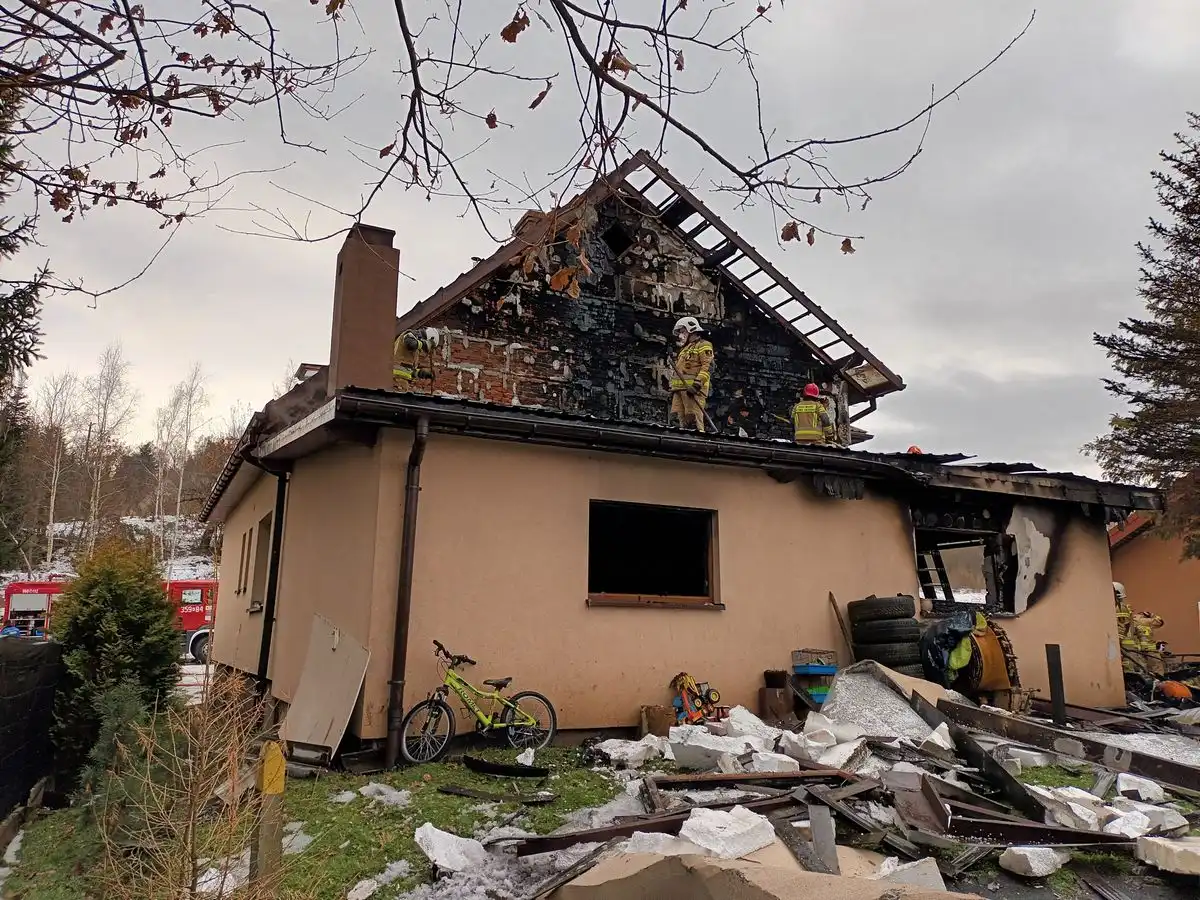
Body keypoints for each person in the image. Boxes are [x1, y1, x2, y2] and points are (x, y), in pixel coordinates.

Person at [668, 316, 714, 432]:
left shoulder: (704, 345)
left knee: (693, 422)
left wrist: (697, 385)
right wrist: (673, 388)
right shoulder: (684, 350)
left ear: (691, 330)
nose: (680, 335)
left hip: (693, 391)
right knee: (677, 422)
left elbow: (707, 367)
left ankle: (698, 447)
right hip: (679, 390)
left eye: (683, 331)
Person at [392, 327, 440, 391]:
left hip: (400, 382)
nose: (424, 350)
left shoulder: (413, 352)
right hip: (395, 381)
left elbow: (406, 370)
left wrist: (421, 373)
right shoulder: (410, 335)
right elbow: (410, 343)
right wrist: (423, 344)